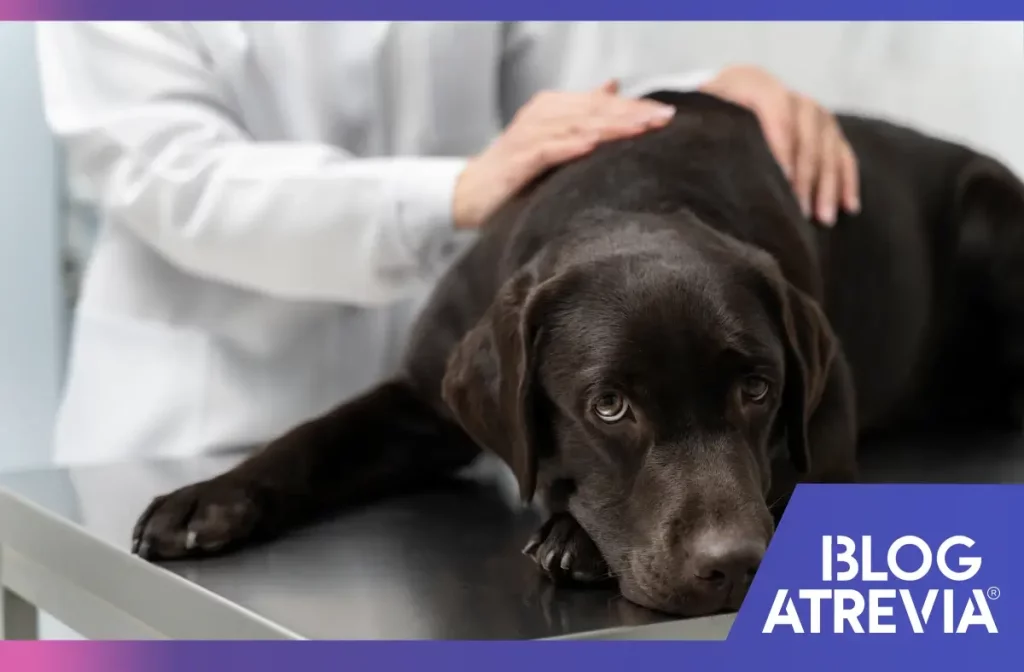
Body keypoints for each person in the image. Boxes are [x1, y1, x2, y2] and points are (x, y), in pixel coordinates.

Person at [36, 22, 859, 466]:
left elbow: (585, 92)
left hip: (437, 440)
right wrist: (455, 191)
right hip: (192, 430)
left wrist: (705, 91)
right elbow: (174, 177)